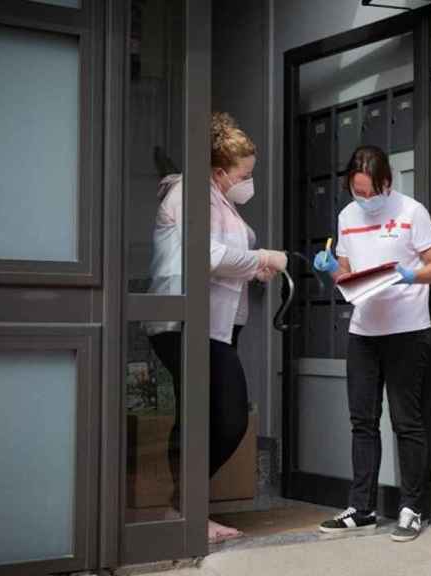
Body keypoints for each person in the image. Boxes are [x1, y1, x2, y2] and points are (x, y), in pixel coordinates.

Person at [146, 112, 288, 542]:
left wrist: (252, 271)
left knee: (204, 415)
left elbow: (224, 257)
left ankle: (185, 509)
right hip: (187, 323)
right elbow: (205, 254)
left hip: (217, 325)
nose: (249, 181)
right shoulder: (190, 194)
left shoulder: (215, 197)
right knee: (226, 417)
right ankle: (185, 508)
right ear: (222, 170)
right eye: (245, 173)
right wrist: (262, 258)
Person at [312, 145, 431, 543]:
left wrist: (411, 275)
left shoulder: (411, 211)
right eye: (357, 191)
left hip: (407, 331)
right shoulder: (346, 216)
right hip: (364, 332)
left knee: (407, 422)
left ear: (387, 182)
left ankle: (411, 508)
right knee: (362, 421)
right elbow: (346, 274)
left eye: (371, 191)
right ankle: (362, 508)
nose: (365, 199)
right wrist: (330, 271)